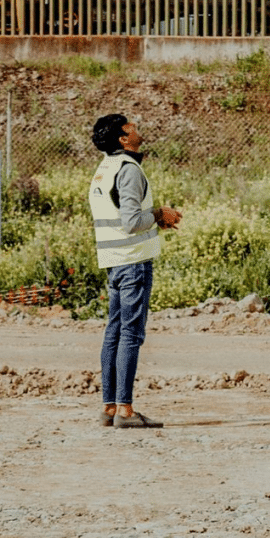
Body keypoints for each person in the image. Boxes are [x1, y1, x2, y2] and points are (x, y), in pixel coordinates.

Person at [88, 113, 182, 429]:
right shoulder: (128, 171)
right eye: (131, 127)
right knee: (130, 333)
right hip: (133, 263)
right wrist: (158, 214)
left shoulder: (104, 169)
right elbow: (130, 222)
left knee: (114, 332)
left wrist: (154, 220)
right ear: (122, 138)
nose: (137, 129)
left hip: (115, 261)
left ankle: (110, 408)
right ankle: (126, 413)